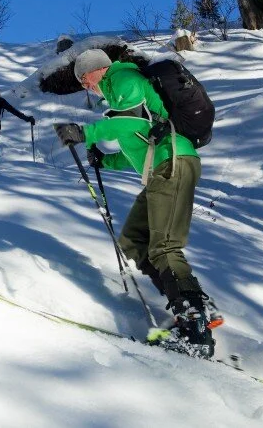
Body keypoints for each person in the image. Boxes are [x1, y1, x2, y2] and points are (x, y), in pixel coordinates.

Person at [53, 49, 217, 356]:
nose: (86, 87)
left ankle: (195, 326)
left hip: (173, 161)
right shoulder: (120, 96)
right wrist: (106, 159)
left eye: (84, 79)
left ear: (95, 70)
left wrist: (87, 133)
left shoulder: (123, 79)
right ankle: (191, 304)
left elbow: (130, 124)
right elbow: (139, 147)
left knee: (164, 245)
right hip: (162, 165)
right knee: (134, 239)